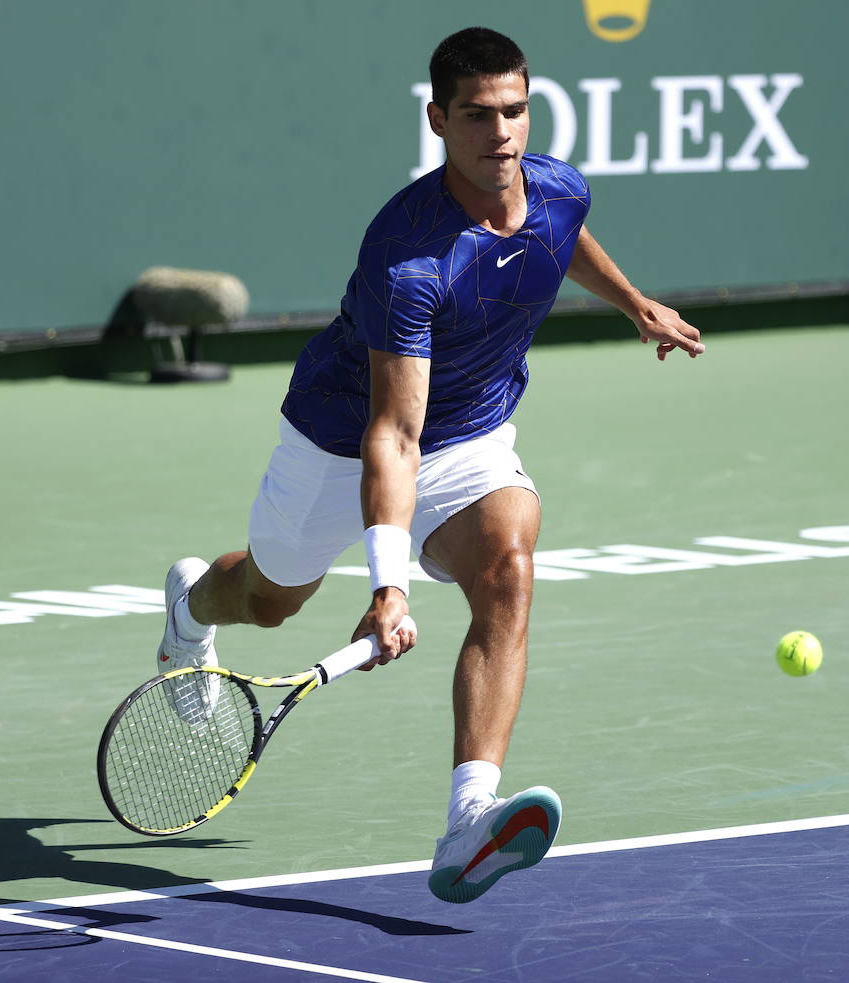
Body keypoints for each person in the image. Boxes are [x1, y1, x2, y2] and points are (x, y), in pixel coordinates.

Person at [156, 26, 704, 904]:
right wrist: (389, 582)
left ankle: (468, 821)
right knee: (267, 600)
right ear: (439, 120)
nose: (504, 134)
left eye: (517, 110)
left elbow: (564, 237)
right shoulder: (408, 255)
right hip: (344, 442)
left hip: (474, 431)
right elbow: (392, 435)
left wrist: (636, 304)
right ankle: (190, 604)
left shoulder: (557, 186)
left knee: (509, 567)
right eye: (480, 116)